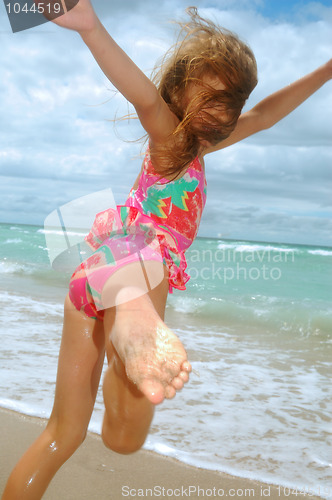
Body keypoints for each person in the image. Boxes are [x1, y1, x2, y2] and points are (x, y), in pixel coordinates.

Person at [2, 1, 331, 498]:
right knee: (128, 422)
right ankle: (127, 341)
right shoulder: (171, 139)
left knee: (67, 435)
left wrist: (326, 70)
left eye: (231, 103)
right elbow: (143, 97)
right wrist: (90, 28)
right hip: (133, 264)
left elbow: (266, 116)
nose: (225, 114)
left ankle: (124, 346)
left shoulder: (200, 144)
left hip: (93, 275)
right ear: (178, 93)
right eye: (213, 100)